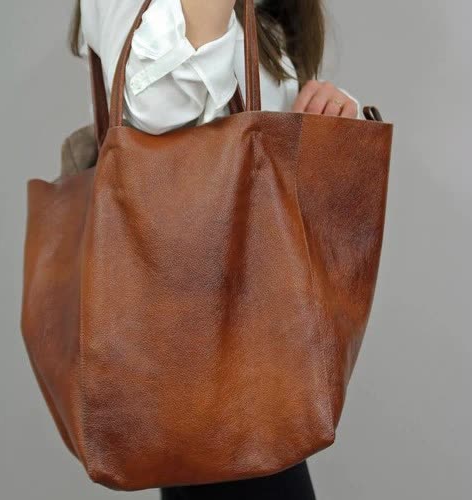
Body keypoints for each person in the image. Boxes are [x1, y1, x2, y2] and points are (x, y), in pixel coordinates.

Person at [69, 1, 363, 498]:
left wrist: (330, 115)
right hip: (187, 339)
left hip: (256, 334)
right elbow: (160, 106)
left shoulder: (261, 12)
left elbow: (260, 163)